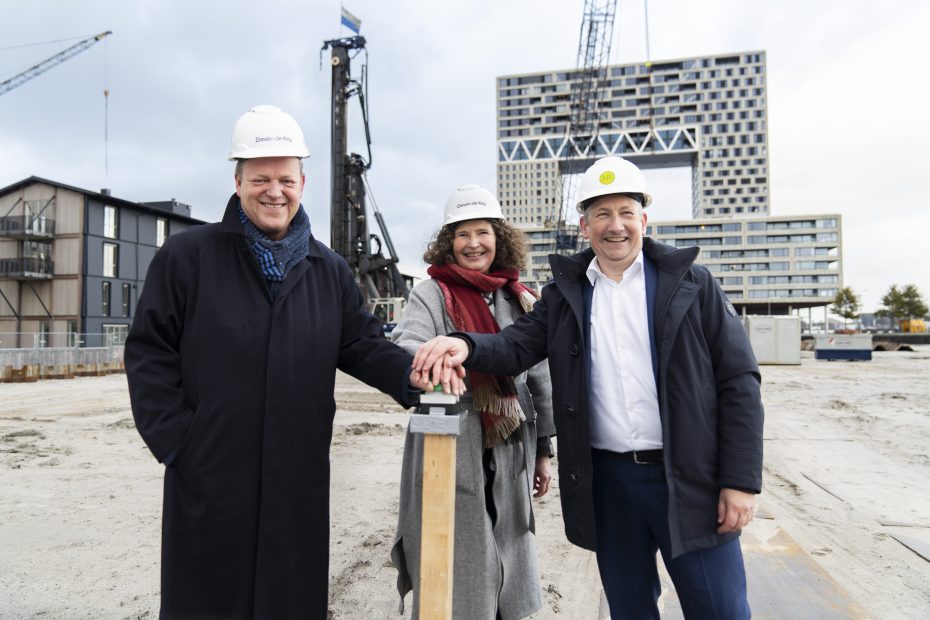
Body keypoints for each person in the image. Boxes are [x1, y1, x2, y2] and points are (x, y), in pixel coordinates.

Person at [124, 105, 451, 619]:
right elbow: (149, 351)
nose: (273, 191)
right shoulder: (187, 258)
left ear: (303, 183)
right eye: (260, 179)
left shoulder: (328, 269)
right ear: (237, 182)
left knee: (289, 597)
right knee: (207, 600)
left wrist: (413, 374)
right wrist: (178, 442)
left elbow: (361, 344)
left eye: (285, 180)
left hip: (296, 470)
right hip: (211, 469)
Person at [411, 156, 764, 619]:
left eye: (625, 213)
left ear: (643, 220)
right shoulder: (565, 295)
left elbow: (739, 382)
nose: (615, 226)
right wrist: (464, 345)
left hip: (690, 478)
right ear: (584, 226)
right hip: (610, 484)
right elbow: (514, 346)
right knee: (630, 610)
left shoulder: (692, 285)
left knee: (720, 610)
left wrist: (739, 481)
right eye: (602, 214)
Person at [389, 185, 556, 619]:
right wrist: (439, 362)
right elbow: (407, 343)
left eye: (482, 232)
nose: (473, 243)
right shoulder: (431, 293)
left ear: (499, 237)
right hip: (447, 440)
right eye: (462, 234)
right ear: (449, 242)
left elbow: (539, 377)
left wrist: (543, 451)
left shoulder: (520, 297)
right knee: (449, 544)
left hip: (510, 439)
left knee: (508, 537)